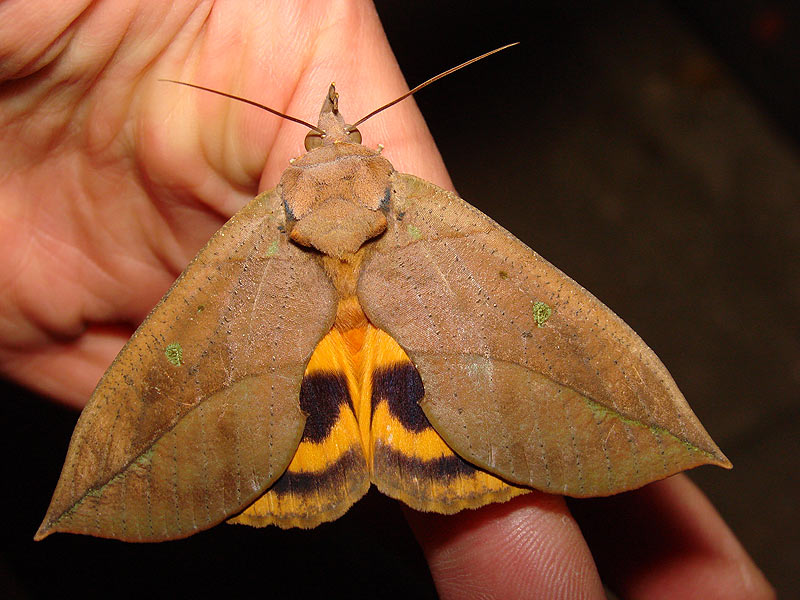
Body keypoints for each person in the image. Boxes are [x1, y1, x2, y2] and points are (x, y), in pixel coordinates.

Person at [0, 1, 773, 598]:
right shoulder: (419, 209)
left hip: (306, 386)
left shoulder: (255, 234)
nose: (334, 142)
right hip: (414, 396)